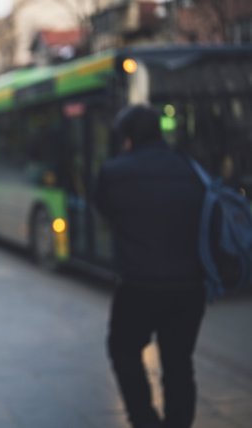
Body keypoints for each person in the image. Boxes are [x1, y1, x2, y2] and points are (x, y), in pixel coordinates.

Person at [94, 105, 207, 428]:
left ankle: (144, 419)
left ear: (127, 138)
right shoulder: (191, 168)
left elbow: (104, 211)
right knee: (179, 363)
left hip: (138, 286)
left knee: (123, 350)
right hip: (189, 288)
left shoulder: (114, 172)